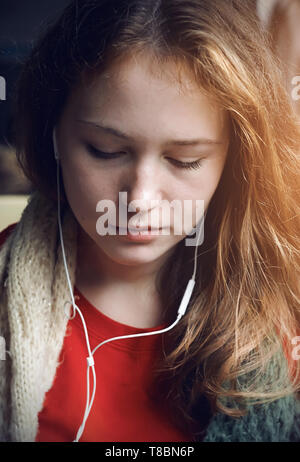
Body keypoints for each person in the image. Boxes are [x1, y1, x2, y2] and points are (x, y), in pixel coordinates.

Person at [0, 0, 299, 442]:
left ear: (233, 161)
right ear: (54, 134)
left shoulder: (283, 316)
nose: (139, 202)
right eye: (105, 150)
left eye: (184, 160)